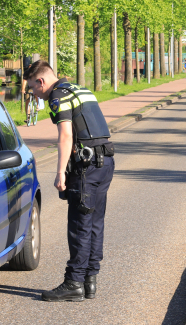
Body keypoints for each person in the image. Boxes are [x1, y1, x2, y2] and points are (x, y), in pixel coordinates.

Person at [23, 60, 114, 302]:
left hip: (85, 167)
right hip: (105, 162)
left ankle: (74, 282)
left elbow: (66, 135)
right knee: (95, 223)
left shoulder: (57, 96)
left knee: (79, 226)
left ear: (41, 81)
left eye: (33, 88)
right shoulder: (80, 89)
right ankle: (89, 281)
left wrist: (60, 171)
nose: (34, 93)